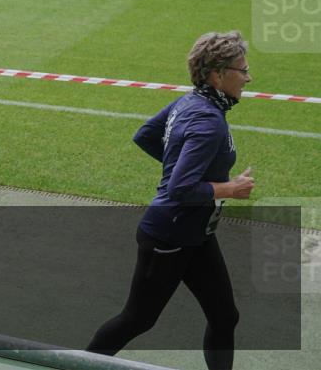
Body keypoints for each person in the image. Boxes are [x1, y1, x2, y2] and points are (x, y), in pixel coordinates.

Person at [86, 31, 256, 370]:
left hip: (196, 234)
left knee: (225, 316)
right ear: (217, 74)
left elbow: (145, 135)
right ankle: (76, 365)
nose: (248, 78)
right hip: (169, 238)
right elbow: (180, 190)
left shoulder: (191, 101)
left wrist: (180, 167)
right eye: (242, 70)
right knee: (137, 319)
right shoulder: (207, 120)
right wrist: (227, 188)